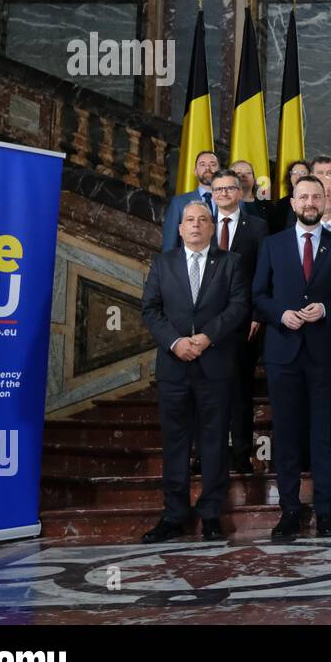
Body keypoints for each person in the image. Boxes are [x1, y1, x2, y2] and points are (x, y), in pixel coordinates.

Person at [251, 176, 331, 540]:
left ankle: (326, 511)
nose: (310, 202)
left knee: (325, 435)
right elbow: (258, 295)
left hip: (325, 354)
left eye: (316, 196)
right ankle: (290, 510)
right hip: (284, 353)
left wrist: (326, 308)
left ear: (326, 201)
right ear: (293, 203)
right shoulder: (272, 245)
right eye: (303, 197)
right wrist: (280, 313)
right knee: (288, 434)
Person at [140, 202, 250, 542]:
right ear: (180, 227)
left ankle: (211, 513)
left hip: (214, 365)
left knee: (215, 442)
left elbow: (238, 307)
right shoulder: (163, 263)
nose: (197, 225)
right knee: (175, 443)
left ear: (213, 227)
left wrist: (206, 337)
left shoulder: (230, 263)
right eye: (190, 220)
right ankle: (174, 515)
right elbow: (150, 309)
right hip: (174, 367)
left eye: (204, 220)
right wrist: (175, 342)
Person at [210, 169, 268, 473]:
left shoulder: (257, 227)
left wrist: (258, 313)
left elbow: (263, 273)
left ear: (239, 191)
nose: (223, 194)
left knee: (241, 391)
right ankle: (207, 455)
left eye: (229, 188)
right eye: (218, 189)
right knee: (207, 392)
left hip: (244, 321)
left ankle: (242, 453)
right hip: (206, 323)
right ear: (211, 193)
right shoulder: (200, 223)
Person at [161, 150, 220, 250]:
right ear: (195, 171)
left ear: (219, 171)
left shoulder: (232, 203)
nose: (207, 168)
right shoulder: (178, 203)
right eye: (202, 164)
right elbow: (169, 245)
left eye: (212, 164)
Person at [268, 159, 310, 232]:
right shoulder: (281, 204)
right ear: (290, 178)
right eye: (294, 173)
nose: (298, 176)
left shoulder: (315, 201)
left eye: (303, 173)